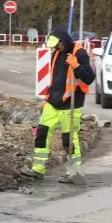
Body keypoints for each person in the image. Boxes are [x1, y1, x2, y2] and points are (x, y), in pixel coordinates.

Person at [21, 25, 95, 184]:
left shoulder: (79, 53)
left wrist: (76, 65)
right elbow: (55, 80)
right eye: (54, 45)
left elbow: (89, 77)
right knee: (41, 133)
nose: (56, 47)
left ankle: (75, 174)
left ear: (64, 40)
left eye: (58, 44)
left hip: (70, 104)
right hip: (53, 103)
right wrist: (47, 98)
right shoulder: (56, 53)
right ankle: (38, 170)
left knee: (69, 140)